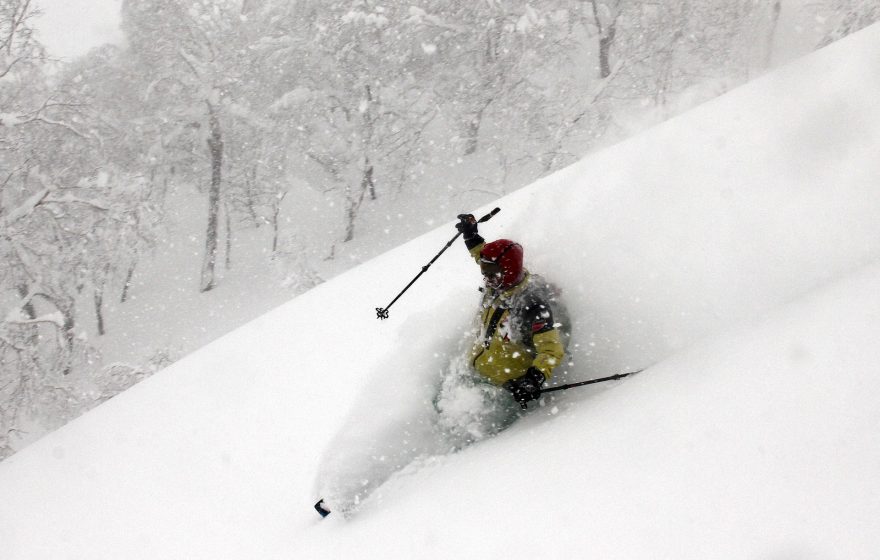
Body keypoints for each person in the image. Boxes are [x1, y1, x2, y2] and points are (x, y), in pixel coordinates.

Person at [455, 213, 566, 408]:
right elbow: (483, 255)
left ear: (508, 269)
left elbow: (551, 349)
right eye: (484, 271)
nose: (486, 278)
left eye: (490, 273)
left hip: (506, 390)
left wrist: (533, 379)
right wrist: (471, 236)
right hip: (478, 375)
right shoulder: (497, 284)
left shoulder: (531, 305)